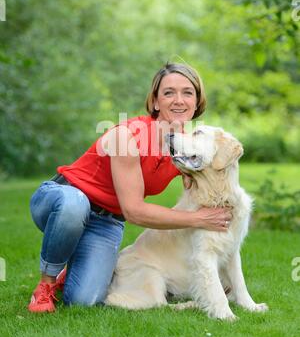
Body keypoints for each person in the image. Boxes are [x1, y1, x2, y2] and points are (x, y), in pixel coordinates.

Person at [28, 63, 232, 313]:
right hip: (60, 200)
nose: (179, 100)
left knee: (84, 301)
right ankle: (46, 284)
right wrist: (197, 219)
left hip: (106, 222)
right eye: (169, 93)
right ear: (156, 102)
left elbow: (205, 187)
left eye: (188, 92)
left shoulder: (186, 148)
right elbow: (134, 211)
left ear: (197, 101)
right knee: (75, 206)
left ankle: (72, 264)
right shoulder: (129, 136)